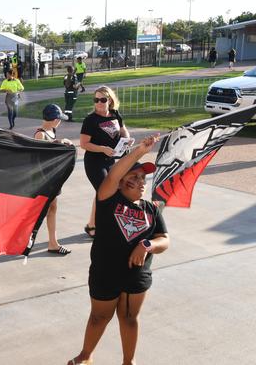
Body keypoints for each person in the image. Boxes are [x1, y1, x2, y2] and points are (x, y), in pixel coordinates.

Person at [67, 134, 169, 365]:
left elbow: (164, 239)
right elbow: (112, 175)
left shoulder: (150, 210)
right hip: (106, 272)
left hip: (137, 275)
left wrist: (147, 245)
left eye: (144, 177)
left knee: (130, 318)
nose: (142, 181)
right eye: (134, 176)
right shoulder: (109, 199)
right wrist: (140, 151)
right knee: (99, 317)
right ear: (122, 181)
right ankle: (86, 356)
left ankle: (128, 362)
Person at [80, 86, 131, 239]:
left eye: (103, 99)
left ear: (110, 100)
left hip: (110, 161)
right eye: (96, 100)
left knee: (102, 192)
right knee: (106, 192)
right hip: (94, 162)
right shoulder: (90, 120)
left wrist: (126, 140)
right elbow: (84, 144)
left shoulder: (115, 115)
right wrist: (102, 149)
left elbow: (123, 130)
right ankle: (108, 225)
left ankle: (92, 226)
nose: (99, 103)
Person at [34, 104, 74, 256]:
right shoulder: (40, 134)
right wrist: (56, 143)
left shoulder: (52, 131)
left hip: (52, 177)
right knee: (40, 211)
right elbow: (40, 156)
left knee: (52, 208)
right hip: (44, 178)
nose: (60, 122)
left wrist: (61, 143)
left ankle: (53, 242)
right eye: (59, 119)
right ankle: (50, 242)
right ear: (54, 119)